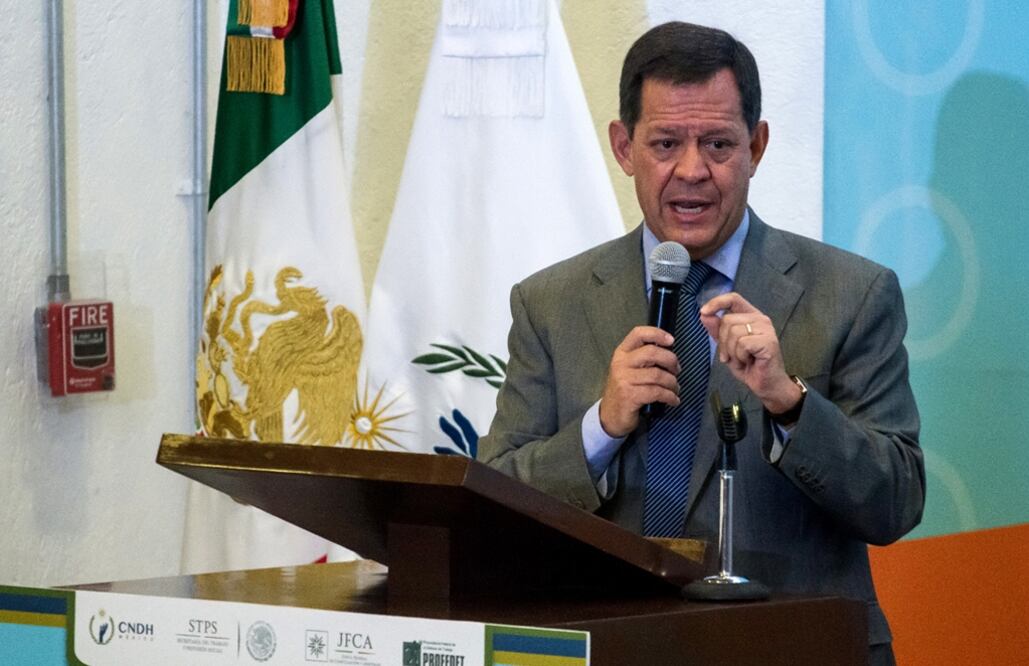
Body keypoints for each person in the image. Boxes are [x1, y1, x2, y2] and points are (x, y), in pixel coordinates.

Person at [477, 21, 925, 664]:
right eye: (665, 143)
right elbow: (494, 503)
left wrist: (788, 400)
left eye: (718, 143)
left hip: (791, 650)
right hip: (613, 647)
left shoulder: (852, 295)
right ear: (624, 146)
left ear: (757, 146)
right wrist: (599, 428)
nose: (693, 171)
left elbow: (897, 503)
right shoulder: (551, 303)